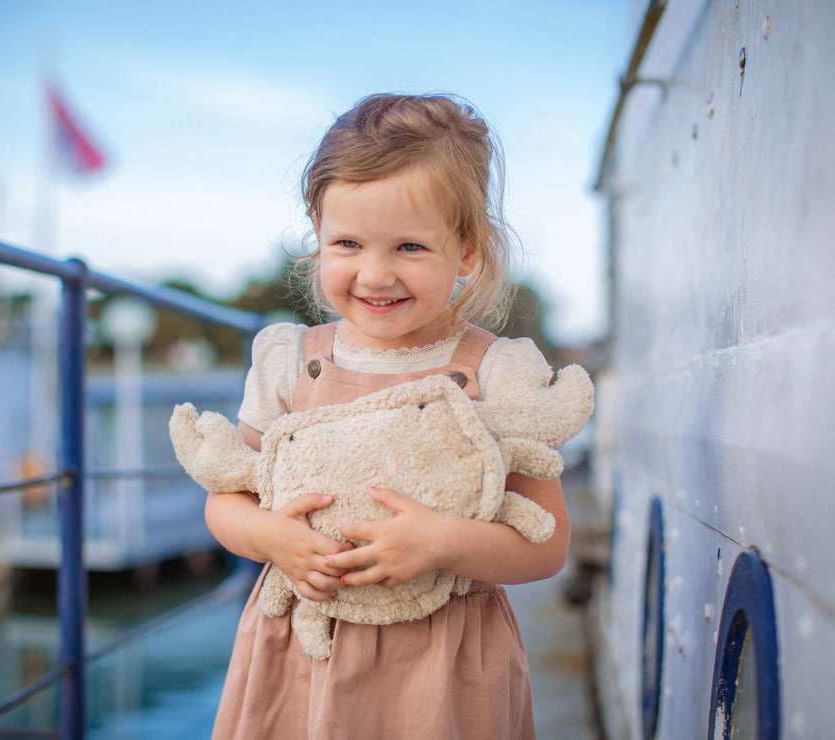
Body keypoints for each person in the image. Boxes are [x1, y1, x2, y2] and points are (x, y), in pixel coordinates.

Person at [204, 93, 570, 739]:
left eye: (408, 246)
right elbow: (226, 500)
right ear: (316, 237)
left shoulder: (498, 372)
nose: (375, 275)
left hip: (441, 667)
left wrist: (442, 544)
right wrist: (269, 539)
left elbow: (547, 544)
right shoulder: (289, 360)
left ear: (466, 249)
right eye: (347, 242)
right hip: (299, 658)